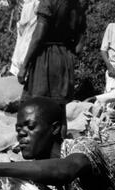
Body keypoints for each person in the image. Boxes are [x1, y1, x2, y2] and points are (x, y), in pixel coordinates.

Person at [17, 0, 86, 138]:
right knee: (60, 110)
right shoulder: (78, 4)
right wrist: (69, 55)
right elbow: (81, 40)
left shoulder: (48, 2)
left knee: (37, 107)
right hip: (65, 58)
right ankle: (58, 150)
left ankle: (40, 152)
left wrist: (24, 65)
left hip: (45, 57)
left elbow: (39, 34)